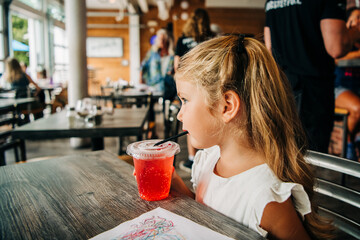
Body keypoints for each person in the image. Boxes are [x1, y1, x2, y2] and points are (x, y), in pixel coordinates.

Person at [171, 35, 334, 239]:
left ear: (227, 106)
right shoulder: (207, 160)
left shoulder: (265, 198)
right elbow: (211, 220)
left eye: (185, 100)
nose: (179, 113)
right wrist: (179, 187)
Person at [264, 0, 360, 154]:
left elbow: (269, 49)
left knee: (282, 153)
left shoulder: (271, 0)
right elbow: (336, 48)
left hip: (280, 85)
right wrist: (353, 34)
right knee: (311, 158)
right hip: (313, 90)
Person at [174, 8, 215, 172]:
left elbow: (177, 65)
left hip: (188, 87)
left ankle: (192, 159)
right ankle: (210, 155)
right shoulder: (210, 37)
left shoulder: (182, 40)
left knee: (189, 121)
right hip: (207, 85)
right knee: (209, 117)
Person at [333, 7, 360, 161]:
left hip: (356, 89)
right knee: (358, 108)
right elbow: (336, 58)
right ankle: (349, 143)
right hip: (338, 88)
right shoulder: (343, 42)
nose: (358, 22)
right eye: (356, 18)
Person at [140, 28, 176, 138]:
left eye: (164, 39)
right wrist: (141, 81)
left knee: (166, 111)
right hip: (153, 86)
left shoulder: (172, 54)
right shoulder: (152, 53)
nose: (162, 41)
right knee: (150, 109)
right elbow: (143, 66)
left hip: (168, 87)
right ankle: (152, 130)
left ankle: (167, 132)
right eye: (160, 39)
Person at [3, 57, 45, 121]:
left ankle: (24, 122)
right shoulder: (24, 75)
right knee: (39, 107)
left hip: (16, 107)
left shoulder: (6, 78)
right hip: (28, 105)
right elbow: (38, 88)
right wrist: (34, 95)